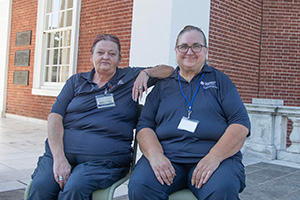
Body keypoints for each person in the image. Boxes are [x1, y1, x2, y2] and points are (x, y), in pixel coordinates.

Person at [27, 33, 174, 200]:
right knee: (41, 187)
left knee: (74, 188)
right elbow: (55, 117)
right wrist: (59, 159)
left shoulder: (130, 77)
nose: (106, 57)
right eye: (100, 52)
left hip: (104, 161)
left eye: (112, 54)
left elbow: (169, 71)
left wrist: (147, 72)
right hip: (61, 153)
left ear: (119, 59)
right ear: (91, 56)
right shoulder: (76, 81)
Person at [128, 25, 251, 200]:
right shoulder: (163, 86)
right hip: (168, 157)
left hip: (213, 157)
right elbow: (145, 125)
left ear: (206, 51)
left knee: (222, 188)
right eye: (183, 46)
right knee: (140, 185)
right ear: (176, 50)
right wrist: (155, 156)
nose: (189, 52)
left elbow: (240, 124)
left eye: (196, 46)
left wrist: (214, 158)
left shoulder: (220, 81)